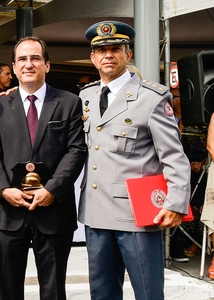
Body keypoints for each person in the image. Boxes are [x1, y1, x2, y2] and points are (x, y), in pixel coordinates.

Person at [78, 21, 190, 300]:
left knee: (148, 291)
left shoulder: (151, 97)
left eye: (115, 49)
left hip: (137, 216)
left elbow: (174, 156)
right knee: (102, 293)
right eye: (101, 50)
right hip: (96, 213)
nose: (108, 55)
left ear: (128, 55)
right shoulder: (86, 97)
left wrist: (175, 202)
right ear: (92, 58)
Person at [0, 36, 87, 300]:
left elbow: (76, 150)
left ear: (47, 65)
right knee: (7, 290)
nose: (28, 64)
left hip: (53, 209)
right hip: (10, 211)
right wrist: (3, 189)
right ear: (14, 66)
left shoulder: (69, 103)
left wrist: (53, 189)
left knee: (53, 290)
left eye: (35, 58)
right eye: (22, 59)